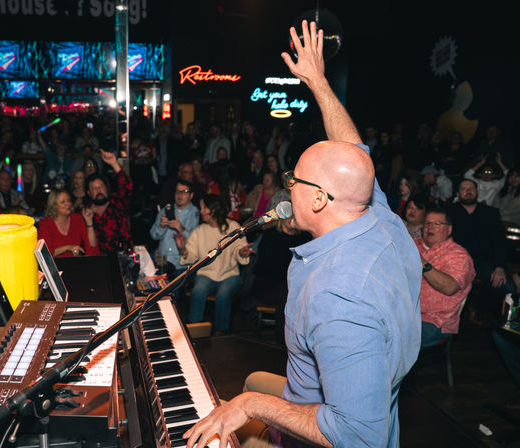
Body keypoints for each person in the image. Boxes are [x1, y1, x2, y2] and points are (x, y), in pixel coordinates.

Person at [184, 20, 421, 448]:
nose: (287, 183)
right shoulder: (379, 218)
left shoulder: (339, 298)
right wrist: (318, 82)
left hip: (318, 434)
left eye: (296, 178)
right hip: (329, 399)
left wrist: (253, 405)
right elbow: (353, 154)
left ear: (317, 201)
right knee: (247, 386)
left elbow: (355, 434)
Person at [175, 194, 252, 334]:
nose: (201, 211)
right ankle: (194, 329)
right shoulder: (199, 231)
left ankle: (221, 331)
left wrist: (242, 252)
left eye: (204, 207)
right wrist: (182, 249)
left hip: (230, 274)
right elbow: (191, 256)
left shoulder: (233, 226)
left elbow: (238, 248)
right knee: (197, 291)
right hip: (207, 274)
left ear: (214, 210)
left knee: (222, 295)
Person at [449, 179, 516, 322]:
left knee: (508, 286)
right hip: (455, 260)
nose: (468, 191)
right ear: (458, 194)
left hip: (482, 260)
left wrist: (499, 266)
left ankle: (477, 307)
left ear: (477, 192)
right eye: (464, 189)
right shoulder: (449, 211)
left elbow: (500, 242)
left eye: (471, 188)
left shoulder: (490, 213)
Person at [414, 208, 475, 349]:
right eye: (427, 223)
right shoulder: (413, 244)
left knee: (388, 343)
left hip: (433, 321)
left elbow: (450, 287)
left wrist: (420, 261)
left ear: (449, 229)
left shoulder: (459, 255)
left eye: (437, 223)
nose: (430, 227)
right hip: (400, 312)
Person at [149, 179, 200, 275]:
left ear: (191, 195)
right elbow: (153, 236)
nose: (179, 195)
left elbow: (198, 243)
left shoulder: (196, 214)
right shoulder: (166, 209)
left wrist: (181, 229)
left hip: (181, 264)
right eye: (177, 191)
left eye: (184, 192)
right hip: (162, 259)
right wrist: (161, 227)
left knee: (173, 288)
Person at [87, 149, 133, 254]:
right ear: (89, 193)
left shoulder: (118, 204)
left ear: (107, 189)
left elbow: (127, 186)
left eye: (101, 187)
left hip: (124, 258)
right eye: (94, 188)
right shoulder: (86, 212)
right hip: (99, 262)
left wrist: (114, 164)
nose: (98, 190)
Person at [37, 190, 99, 257]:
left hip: (76, 264)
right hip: (56, 265)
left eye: (69, 201)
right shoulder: (45, 224)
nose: (68, 204)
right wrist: (68, 247)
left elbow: (92, 247)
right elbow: (44, 254)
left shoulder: (77, 219)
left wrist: (89, 223)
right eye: (63, 202)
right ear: (54, 205)